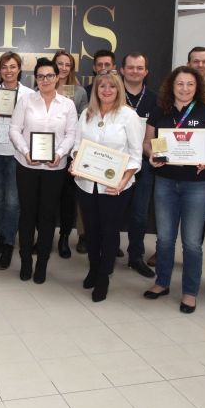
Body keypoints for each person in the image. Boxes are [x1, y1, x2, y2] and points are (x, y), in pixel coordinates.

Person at [143, 66, 205, 313]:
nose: (185, 88)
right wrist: (152, 154)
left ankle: (190, 292)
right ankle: (162, 282)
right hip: (165, 181)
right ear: (172, 85)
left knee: (191, 243)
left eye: (190, 84)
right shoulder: (160, 111)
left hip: (197, 184)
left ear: (197, 87)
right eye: (180, 83)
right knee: (165, 238)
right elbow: (148, 143)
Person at [73, 70, 143, 301]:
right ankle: (94, 268)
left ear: (118, 89)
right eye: (102, 86)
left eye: (112, 86)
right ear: (95, 89)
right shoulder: (87, 113)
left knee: (109, 231)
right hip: (86, 183)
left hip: (115, 186)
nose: (106, 90)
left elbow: (136, 155)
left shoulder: (128, 116)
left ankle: (104, 276)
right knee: (91, 230)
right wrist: (75, 161)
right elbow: (77, 145)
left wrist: (123, 181)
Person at [10, 58, 78, 284]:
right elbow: (14, 129)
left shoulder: (67, 105)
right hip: (26, 165)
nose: (45, 80)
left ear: (57, 77)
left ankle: (42, 263)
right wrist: (25, 150)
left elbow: (71, 134)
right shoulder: (25, 100)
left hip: (55, 167)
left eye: (49, 75)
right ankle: (26, 261)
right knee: (27, 214)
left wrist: (59, 153)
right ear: (35, 79)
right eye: (40, 76)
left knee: (47, 216)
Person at [0, 52, 34, 269]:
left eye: (12, 66)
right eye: (4, 67)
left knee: (13, 202)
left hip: (17, 153)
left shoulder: (29, 94)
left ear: (19, 69)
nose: (8, 71)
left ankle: (8, 244)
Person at [119, 52, 158, 278]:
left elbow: (161, 133)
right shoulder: (112, 94)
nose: (135, 71)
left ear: (146, 72)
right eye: (131, 67)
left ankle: (136, 256)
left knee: (139, 214)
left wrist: (158, 153)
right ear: (122, 70)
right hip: (115, 162)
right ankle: (108, 250)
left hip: (144, 164)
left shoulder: (156, 99)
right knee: (112, 210)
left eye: (139, 68)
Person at [52, 50, 87, 259]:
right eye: (60, 63)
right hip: (47, 151)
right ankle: (44, 236)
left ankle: (64, 237)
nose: (63, 68)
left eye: (68, 64)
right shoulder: (44, 86)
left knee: (67, 198)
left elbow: (84, 120)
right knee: (46, 198)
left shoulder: (79, 91)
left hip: (70, 152)